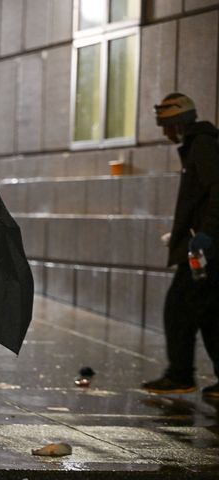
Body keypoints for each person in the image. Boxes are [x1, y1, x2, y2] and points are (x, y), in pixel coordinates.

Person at [141, 93, 219, 398]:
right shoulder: (199, 145)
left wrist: (207, 234)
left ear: (178, 122)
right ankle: (181, 373)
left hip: (205, 248)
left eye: (166, 125)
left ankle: (180, 374)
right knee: (206, 311)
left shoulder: (202, 145)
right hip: (201, 244)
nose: (164, 133)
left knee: (179, 308)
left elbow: (217, 190)